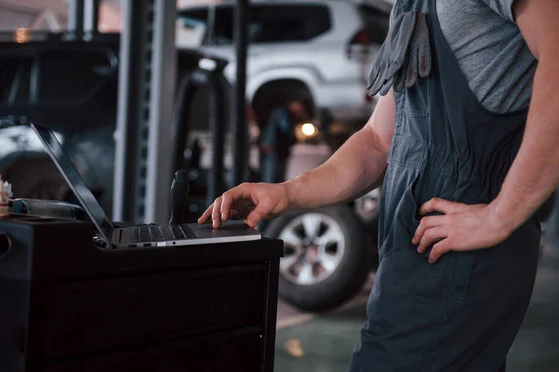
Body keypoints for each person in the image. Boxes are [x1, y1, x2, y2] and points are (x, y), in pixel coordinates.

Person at [199, 0, 559, 370]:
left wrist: (500, 216)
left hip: (456, 261)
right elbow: (377, 141)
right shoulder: (411, 6)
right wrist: (287, 192)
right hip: (411, 256)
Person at [259, 99, 312, 184]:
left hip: (275, 151)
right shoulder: (283, 113)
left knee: (274, 179)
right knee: (272, 181)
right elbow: (287, 128)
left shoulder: (281, 112)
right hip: (274, 151)